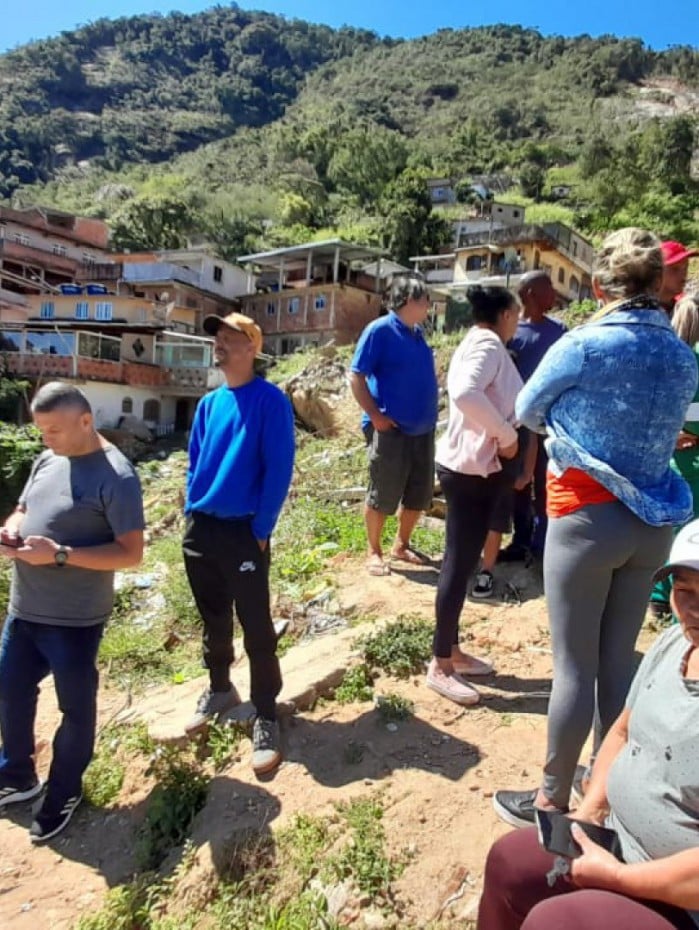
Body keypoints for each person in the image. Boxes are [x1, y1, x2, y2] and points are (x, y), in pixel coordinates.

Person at [493, 228, 698, 827]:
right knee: (617, 662)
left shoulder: (585, 345)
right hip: (653, 525)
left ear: (597, 283)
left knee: (574, 668)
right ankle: (606, 795)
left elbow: (526, 410)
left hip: (586, 517)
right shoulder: (681, 356)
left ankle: (552, 801)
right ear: (660, 280)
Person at [478, 517, 699, 930]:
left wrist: (617, 878)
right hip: (615, 841)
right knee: (509, 862)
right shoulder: (674, 644)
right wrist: (592, 811)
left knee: (555, 922)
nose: (693, 609)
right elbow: (622, 730)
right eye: (683, 590)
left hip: (682, 899)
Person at [0, 382, 145, 843]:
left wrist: (60, 554)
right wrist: (12, 527)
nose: (45, 439)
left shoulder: (117, 477)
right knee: (9, 692)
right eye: (41, 430)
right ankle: (18, 776)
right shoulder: (47, 458)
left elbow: (130, 554)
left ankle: (64, 791)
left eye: (54, 430)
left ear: (86, 421)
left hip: (74, 620)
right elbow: (24, 506)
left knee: (74, 711)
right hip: (24, 608)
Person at [183, 312, 294, 776]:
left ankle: (266, 713)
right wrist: (190, 509)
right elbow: (194, 461)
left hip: (244, 530)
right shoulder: (210, 403)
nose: (220, 344)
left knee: (256, 624)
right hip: (201, 528)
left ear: (252, 347)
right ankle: (220, 687)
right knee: (212, 618)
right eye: (218, 338)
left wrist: (263, 528)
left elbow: (279, 467)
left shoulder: (270, 401)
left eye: (230, 338)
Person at [428, 285, 522, 705]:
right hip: (469, 472)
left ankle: (452, 650)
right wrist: (504, 435)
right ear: (504, 314)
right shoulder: (487, 343)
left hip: (474, 469)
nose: (517, 322)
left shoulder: (480, 342)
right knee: (458, 561)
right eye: (516, 315)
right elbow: (466, 393)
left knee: (462, 562)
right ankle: (440, 664)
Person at [473, 271, 566, 597]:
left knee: (546, 482)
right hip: (514, 424)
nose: (553, 293)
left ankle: (544, 544)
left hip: (551, 423)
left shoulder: (560, 333)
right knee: (516, 485)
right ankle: (521, 540)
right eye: (547, 288)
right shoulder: (509, 335)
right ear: (529, 293)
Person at [349, 273, 439, 577]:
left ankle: (401, 545)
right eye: (425, 299)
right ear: (410, 301)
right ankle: (373, 551)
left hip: (422, 429)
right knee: (382, 490)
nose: (429, 305)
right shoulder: (380, 330)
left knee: (418, 491)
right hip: (391, 428)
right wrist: (375, 416)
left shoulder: (417, 334)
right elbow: (356, 376)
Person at [650, 288, 699, 620]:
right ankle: (666, 599)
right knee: (688, 535)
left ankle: (659, 597)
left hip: (670, 461)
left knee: (672, 530)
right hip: (690, 464)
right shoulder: (692, 360)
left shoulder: (664, 357)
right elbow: (693, 417)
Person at [659, 240, 698, 316]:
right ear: (658, 271)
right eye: (675, 269)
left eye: (685, 268)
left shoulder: (685, 306)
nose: (683, 274)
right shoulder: (643, 308)